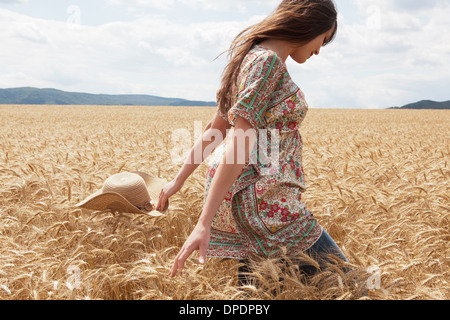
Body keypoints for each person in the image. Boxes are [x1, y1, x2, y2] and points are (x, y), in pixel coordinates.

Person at [156, 0, 348, 281]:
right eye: (324, 39)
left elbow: (215, 128)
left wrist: (179, 179)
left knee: (259, 291)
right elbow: (239, 137)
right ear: (310, 24)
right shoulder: (268, 63)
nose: (320, 49)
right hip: (269, 206)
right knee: (347, 283)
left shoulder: (250, 58)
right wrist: (203, 222)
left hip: (252, 201)